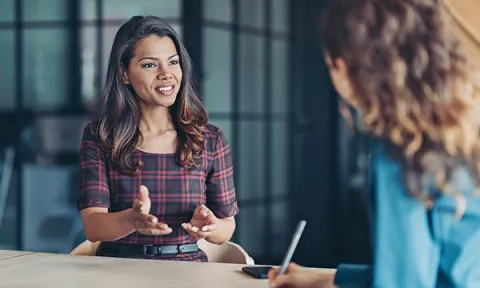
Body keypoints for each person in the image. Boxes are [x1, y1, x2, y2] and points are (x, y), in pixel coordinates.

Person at [269, 0, 480, 287]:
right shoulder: (461, 128)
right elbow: (434, 266)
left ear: (342, 67)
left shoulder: (401, 152)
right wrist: (325, 277)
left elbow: (404, 282)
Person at [77, 15, 239, 262]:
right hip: (116, 271)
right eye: (150, 65)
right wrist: (132, 219)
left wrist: (209, 225)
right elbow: (93, 226)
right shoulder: (100, 136)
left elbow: (226, 227)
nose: (166, 74)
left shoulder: (209, 140)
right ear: (124, 73)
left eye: (173, 62)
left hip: (189, 271)